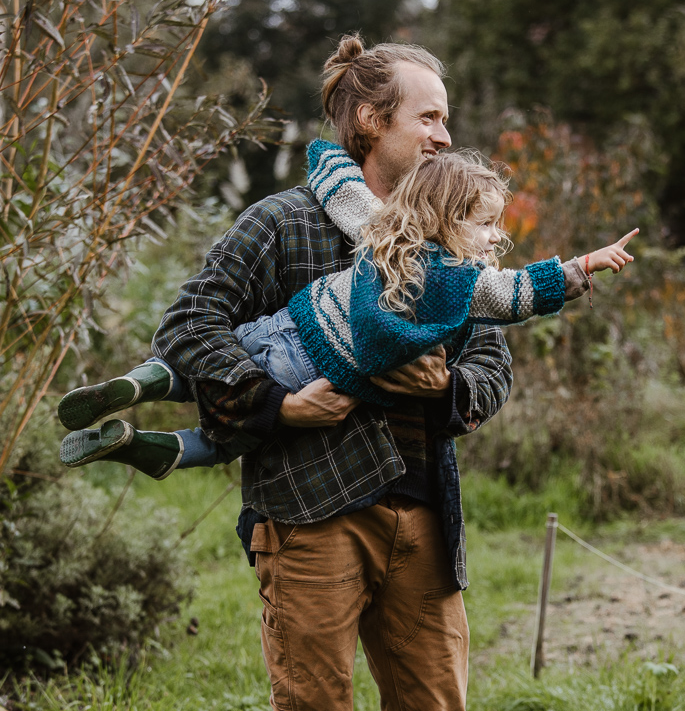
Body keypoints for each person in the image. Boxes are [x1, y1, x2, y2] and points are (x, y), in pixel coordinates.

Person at [58, 34, 628, 711]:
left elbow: (490, 370)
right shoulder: (284, 225)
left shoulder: (454, 231)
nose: (446, 132)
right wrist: (277, 403)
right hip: (310, 507)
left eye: (446, 115)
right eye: (429, 114)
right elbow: (189, 327)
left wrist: (443, 382)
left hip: (423, 513)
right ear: (373, 121)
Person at [57, 150, 635, 477]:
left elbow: (339, 189)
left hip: (286, 327)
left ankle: (136, 383)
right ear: (443, 218)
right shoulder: (465, 282)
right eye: (483, 223)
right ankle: (140, 445)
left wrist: (332, 150)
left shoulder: (380, 231)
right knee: (227, 438)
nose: (494, 237)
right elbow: (520, 292)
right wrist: (585, 265)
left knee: (207, 366)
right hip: (313, 375)